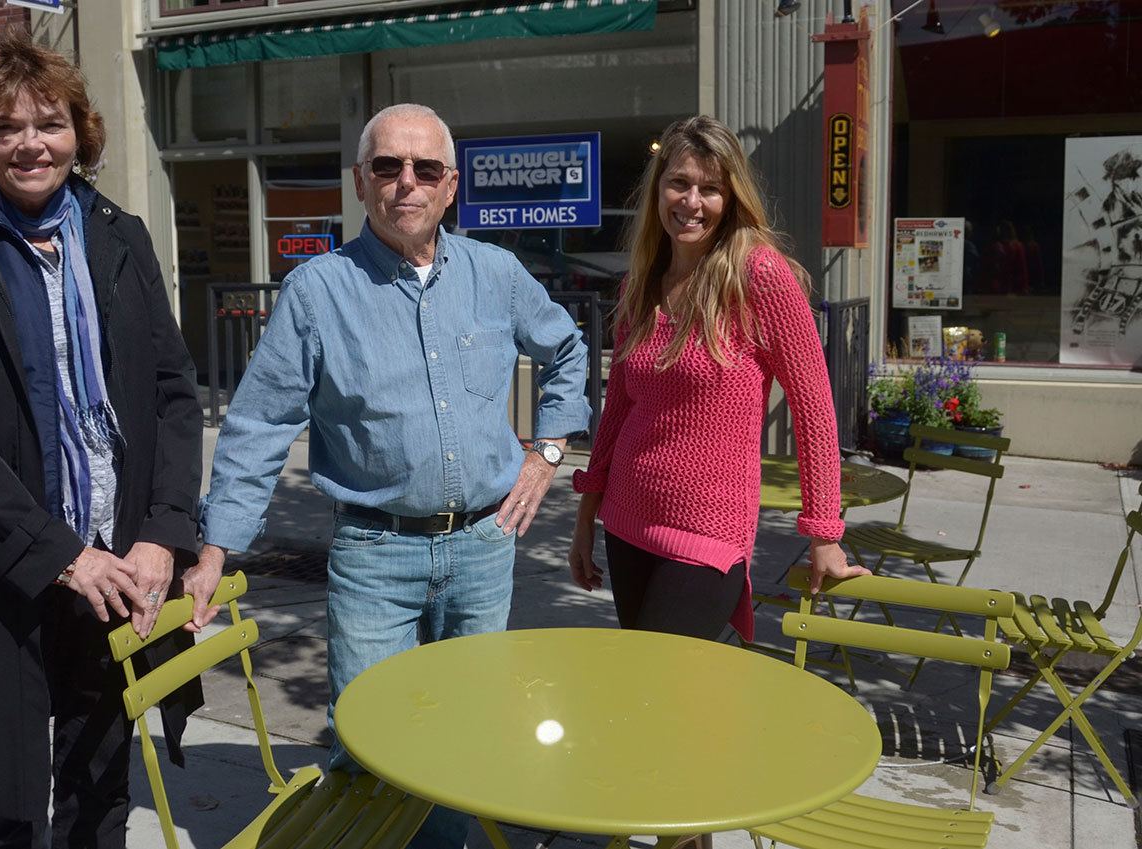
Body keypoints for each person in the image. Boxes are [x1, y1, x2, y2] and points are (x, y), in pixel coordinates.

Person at [188, 103, 590, 849]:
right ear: (360, 181)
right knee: (371, 742)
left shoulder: (496, 274)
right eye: (388, 166)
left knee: (466, 731)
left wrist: (549, 453)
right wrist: (216, 547)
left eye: (425, 169)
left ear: (450, 187)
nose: (407, 182)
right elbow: (258, 422)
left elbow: (569, 353)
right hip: (376, 556)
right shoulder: (317, 292)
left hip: (483, 546)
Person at [0, 31, 205, 849]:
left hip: (119, 563)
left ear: (80, 132)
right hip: (1, 572)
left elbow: (172, 392)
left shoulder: (119, 234)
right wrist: (62, 552)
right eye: (5, 126)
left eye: (49, 123)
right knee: (7, 805)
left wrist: (164, 534)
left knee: (101, 785)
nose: (30, 143)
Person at [567, 115, 868, 648]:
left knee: (663, 686)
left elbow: (815, 407)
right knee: (642, 691)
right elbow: (618, 407)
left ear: (731, 198)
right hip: (627, 519)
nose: (692, 201)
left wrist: (824, 534)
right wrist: (587, 514)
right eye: (679, 183)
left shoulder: (761, 276)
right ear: (658, 187)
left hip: (708, 533)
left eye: (710, 188)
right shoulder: (642, 284)